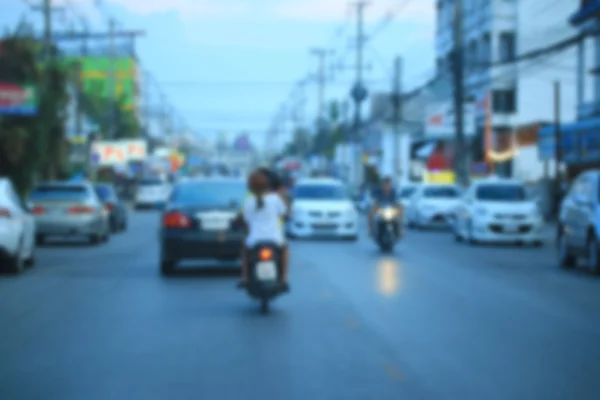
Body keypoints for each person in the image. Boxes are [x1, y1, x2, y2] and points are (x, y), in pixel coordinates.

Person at [238, 169, 290, 291]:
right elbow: (284, 213)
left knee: (245, 252)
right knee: (285, 250)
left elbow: (247, 222)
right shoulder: (275, 199)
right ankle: (284, 279)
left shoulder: (249, 202)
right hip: (274, 239)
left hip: (255, 240)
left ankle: (245, 277)